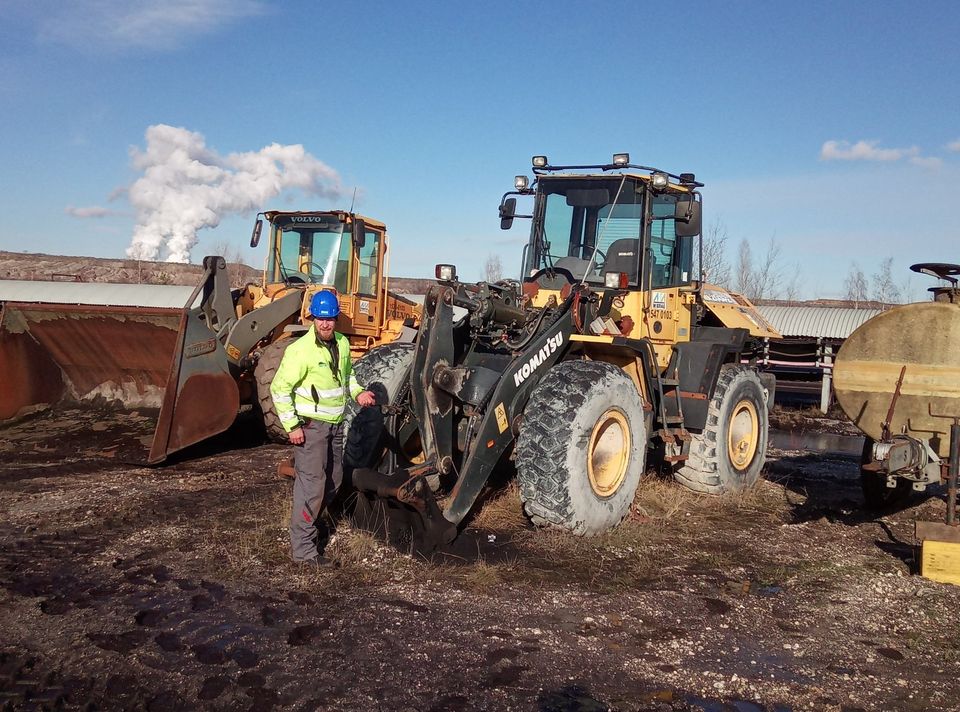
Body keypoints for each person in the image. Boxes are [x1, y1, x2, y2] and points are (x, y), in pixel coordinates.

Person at [270, 290, 376, 565]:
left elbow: (347, 376)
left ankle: (310, 524)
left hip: (335, 426)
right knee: (313, 486)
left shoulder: (341, 343)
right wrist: (292, 426)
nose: (326, 324)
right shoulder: (299, 351)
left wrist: (358, 393)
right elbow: (279, 389)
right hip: (311, 428)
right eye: (320, 319)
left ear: (336, 319)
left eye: (330, 319)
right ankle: (303, 550)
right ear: (312, 318)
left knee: (334, 480)